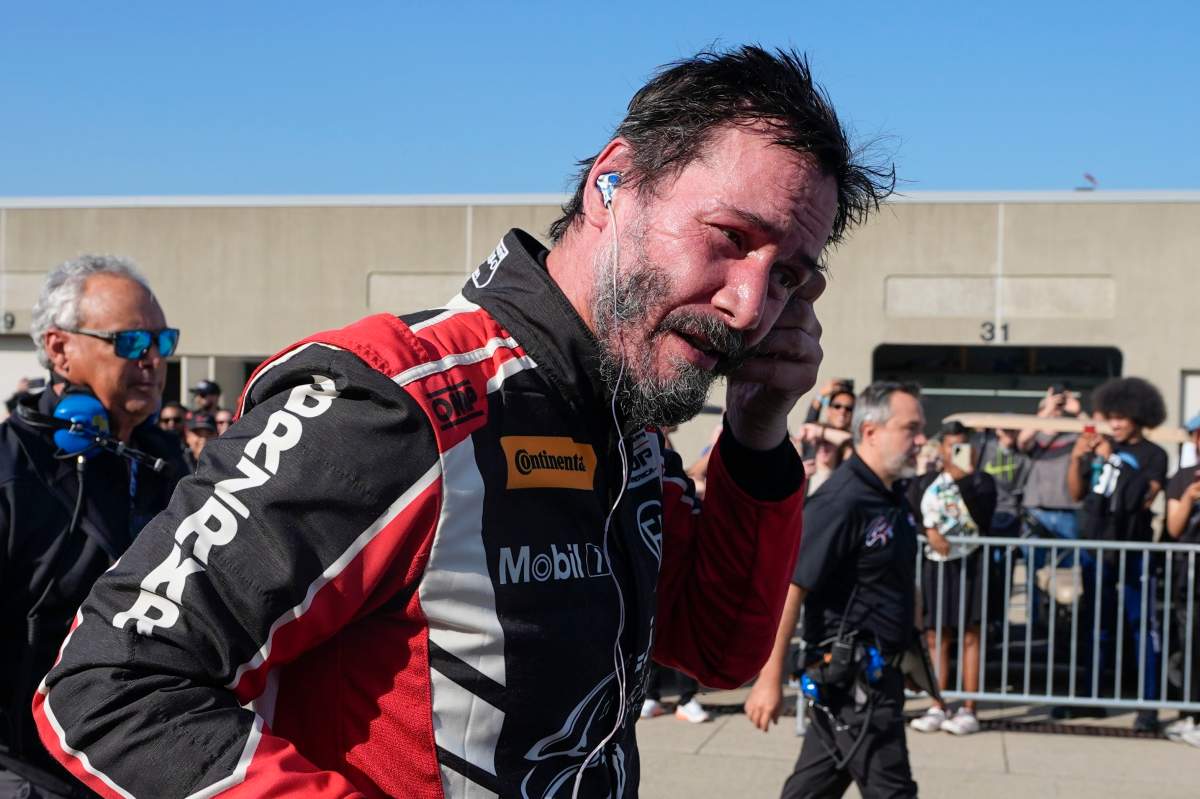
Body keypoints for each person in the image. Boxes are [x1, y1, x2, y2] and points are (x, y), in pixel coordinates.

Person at [33, 46, 893, 798]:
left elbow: (716, 648)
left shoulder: (626, 422)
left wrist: (757, 432)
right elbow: (109, 687)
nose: (751, 306)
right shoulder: (396, 397)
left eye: (787, 275)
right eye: (731, 236)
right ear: (614, 181)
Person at [0, 255, 188, 798]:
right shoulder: (11, 471)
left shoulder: (169, 463)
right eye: (131, 342)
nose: (153, 359)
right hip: (33, 776)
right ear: (60, 349)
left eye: (162, 340)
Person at [745, 381, 925, 799]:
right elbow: (791, 587)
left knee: (812, 788)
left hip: (873, 679)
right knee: (893, 791)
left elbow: (892, 584)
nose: (920, 440)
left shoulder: (891, 496)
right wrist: (769, 679)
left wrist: (913, 657)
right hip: (856, 686)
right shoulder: (842, 500)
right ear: (871, 432)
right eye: (911, 428)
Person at [1068, 377, 1168, 732]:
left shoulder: (1154, 455)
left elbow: (1142, 498)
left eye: (1121, 416)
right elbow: (1076, 492)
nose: (1115, 423)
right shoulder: (1098, 448)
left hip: (1134, 551)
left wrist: (1114, 463)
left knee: (1142, 629)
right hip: (1097, 549)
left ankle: (1149, 706)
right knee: (1096, 627)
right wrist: (1079, 456)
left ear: (1139, 417)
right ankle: (1089, 698)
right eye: (1111, 415)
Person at [907, 422, 997, 737]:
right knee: (935, 634)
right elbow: (913, 514)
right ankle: (937, 702)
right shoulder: (927, 482)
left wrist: (966, 480)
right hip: (937, 565)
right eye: (951, 446)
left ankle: (969, 707)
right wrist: (929, 531)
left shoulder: (982, 482)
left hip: (971, 563)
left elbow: (985, 514)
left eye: (962, 445)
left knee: (971, 634)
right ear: (941, 448)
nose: (956, 452)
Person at [1164, 413, 1200, 747]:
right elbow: (1173, 528)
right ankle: (1189, 713)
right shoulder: (1183, 478)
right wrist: (1190, 497)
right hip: (1189, 575)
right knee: (1188, 643)